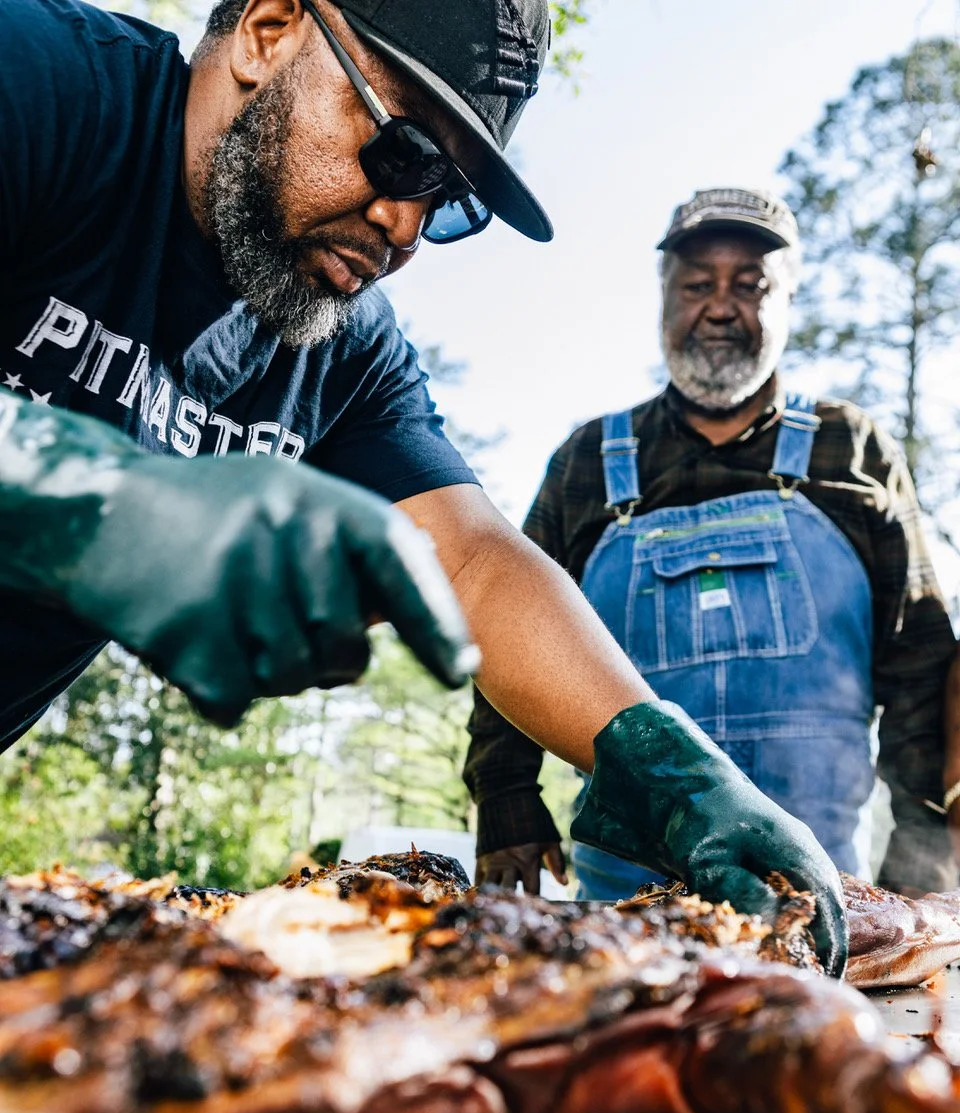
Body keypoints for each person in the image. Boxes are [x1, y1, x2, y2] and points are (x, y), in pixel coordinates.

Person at [0, 5, 847, 972]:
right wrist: (91, 497)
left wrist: (655, 752)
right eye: (401, 151)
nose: (403, 228)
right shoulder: (39, 87)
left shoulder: (341, 341)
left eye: (448, 196)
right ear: (270, 31)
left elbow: (475, 563)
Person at [465, 187, 958, 901]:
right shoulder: (587, 460)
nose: (721, 306)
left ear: (788, 302)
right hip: (623, 906)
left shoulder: (851, 448)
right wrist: (504, 797)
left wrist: (919, 868)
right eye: (698, 284)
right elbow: (506, 620)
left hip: (823, 900)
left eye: (751, 286)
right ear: (664, 297)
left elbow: (919, 666)